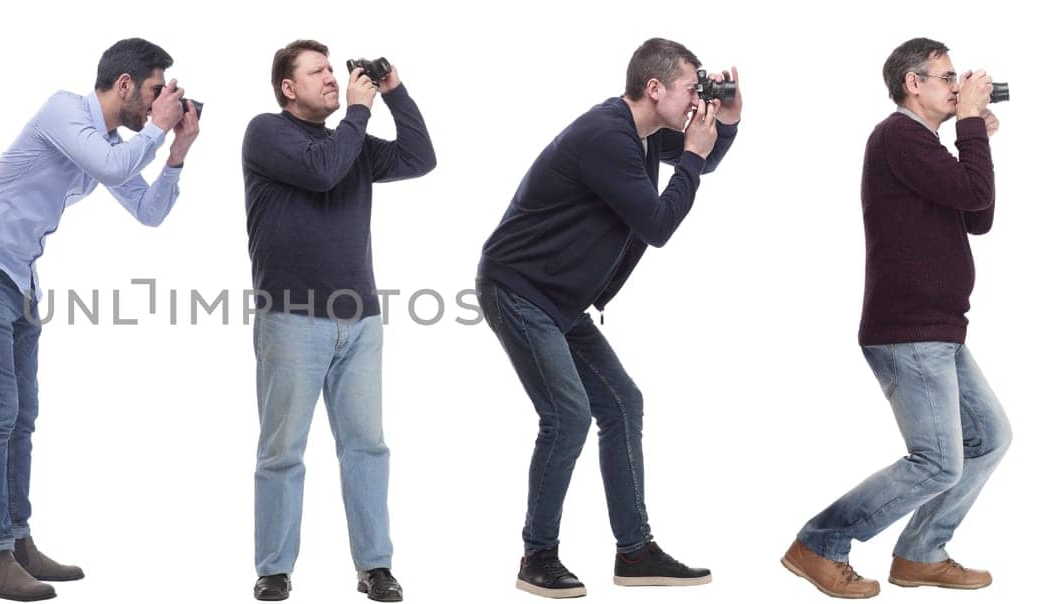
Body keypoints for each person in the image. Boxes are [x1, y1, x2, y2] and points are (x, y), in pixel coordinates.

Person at [474, 37, 739, 598]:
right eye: (692, 89)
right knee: (567, 415)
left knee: (622, 403)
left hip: (559, 300)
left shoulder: (640, 132)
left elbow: (702, 157)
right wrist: (691, 156)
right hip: (518, 289)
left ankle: (635, 552)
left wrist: (728, 123)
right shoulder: (607, 136)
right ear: (654, 88)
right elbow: (659, 225)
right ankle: (537, 557)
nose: (698, 99)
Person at [0, 37, 200, 601]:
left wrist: (176, 152)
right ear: (124, 85)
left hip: (18, 278)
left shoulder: (108, 143)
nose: (161, 103)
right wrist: (156, 131)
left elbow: (149, 212)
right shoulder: (65, 110)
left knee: (23, 415)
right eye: (156, 91)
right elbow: (110, 164)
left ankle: (19, 543)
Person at [781, 37, 1009, 600]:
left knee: (991, 437)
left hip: (941, 329)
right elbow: (974, 191)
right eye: (948, 77)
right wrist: (972, 126)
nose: (959, 87)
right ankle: (820, 543)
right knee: (937, 462)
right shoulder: (897, 136)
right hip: (910, 330)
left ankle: (921, 553)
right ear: (914, 83)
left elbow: (978, 214)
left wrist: (972, 133)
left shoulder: (924, 146)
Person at [241, 39, 436, 603]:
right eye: (318, 72)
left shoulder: (347, 141)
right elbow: (324, 172)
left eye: (334, 70)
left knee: (366, 447)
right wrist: (358, 110)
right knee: (282, 450)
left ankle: (375, 566)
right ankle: (274, 569)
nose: (332, 78)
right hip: (291, 319)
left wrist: (394, 92)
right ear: (287, 87)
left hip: (361, 320)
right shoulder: (266, 133)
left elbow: (420, 157)